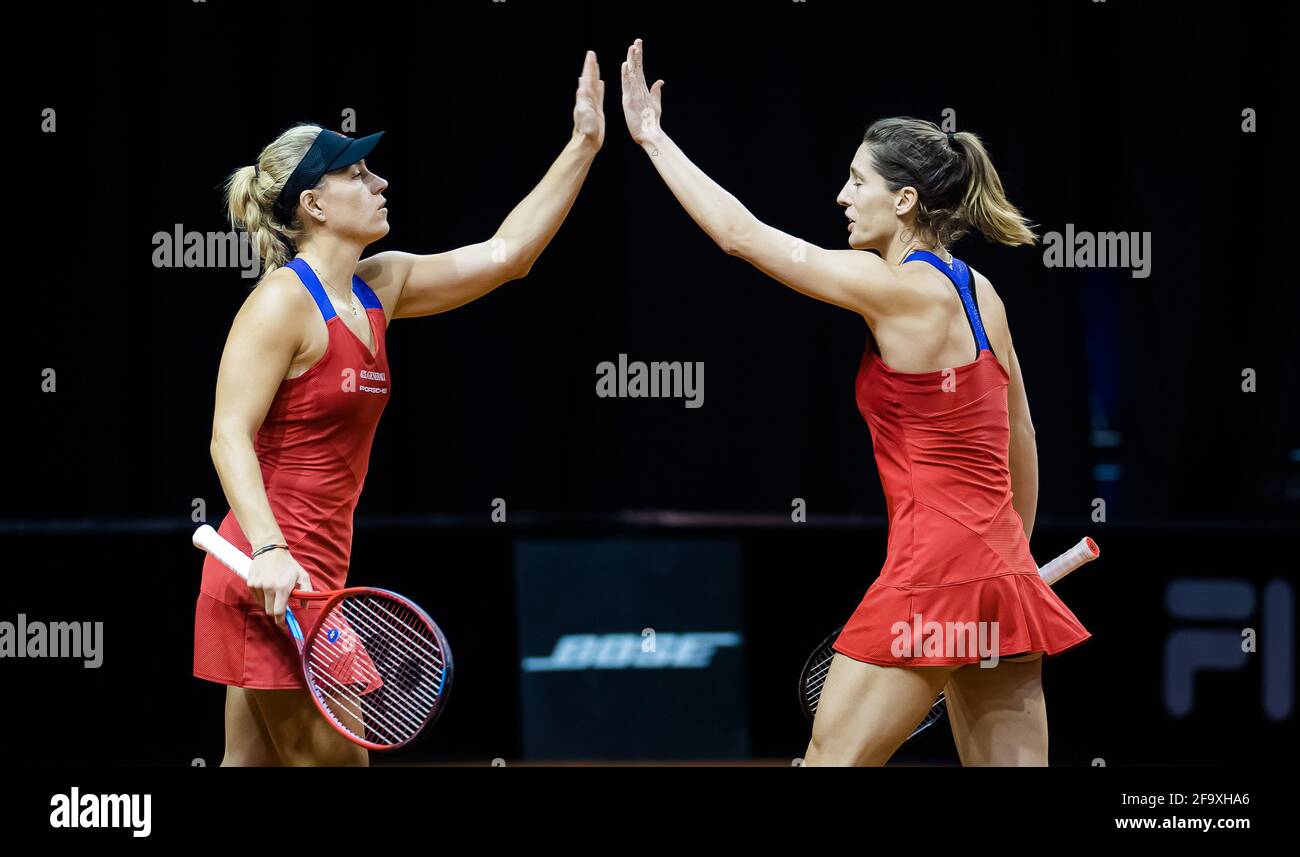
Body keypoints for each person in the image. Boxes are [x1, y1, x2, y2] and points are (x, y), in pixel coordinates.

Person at [618, 38, 1089, 766]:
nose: (842, 196)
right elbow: (1019, 435)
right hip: (998, 577)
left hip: (931, 576)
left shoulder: (892, 289)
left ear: (902, 200)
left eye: (855, 181)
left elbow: (741, 236)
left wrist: (653, 138)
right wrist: (1013, 556)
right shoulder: (982, 293)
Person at [194, 51, 606, 766]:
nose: (379, 181)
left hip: (307, 569)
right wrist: (269, 550)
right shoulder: (280, 304)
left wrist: (583, 145)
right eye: (355, 173)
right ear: (313, 205)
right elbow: (228, 433)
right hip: (274, 575)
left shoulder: (382, 286)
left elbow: (509, 254)